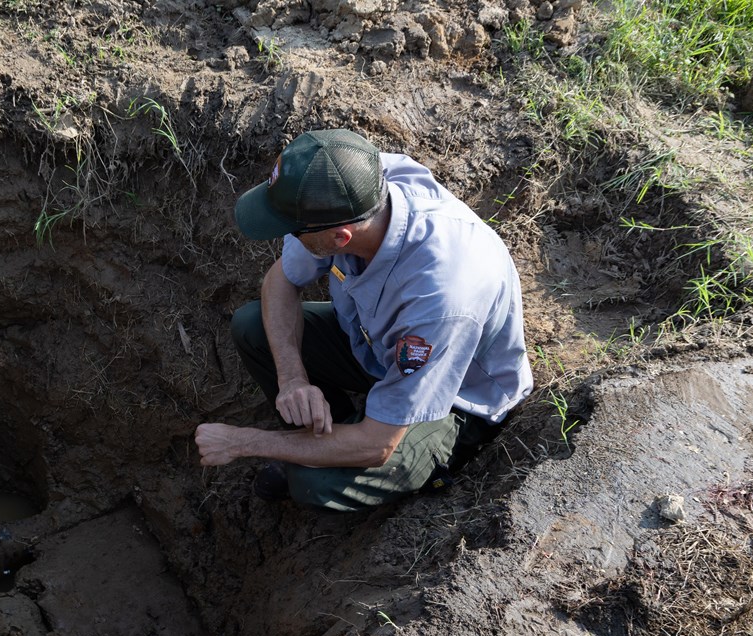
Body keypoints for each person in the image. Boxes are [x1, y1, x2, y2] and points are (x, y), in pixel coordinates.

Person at [194, 129, 533, 511]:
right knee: (252, 326)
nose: (287, 236)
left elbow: (377, 445)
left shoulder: (442, 295)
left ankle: (410, 456)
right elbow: (280, 280)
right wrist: (293, 380)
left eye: (293, 229)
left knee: (312, 482)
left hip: (454, 396)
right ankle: (331, 432)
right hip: (374, 343)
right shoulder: (354, 183)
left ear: (340, 238)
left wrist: (243, 443)